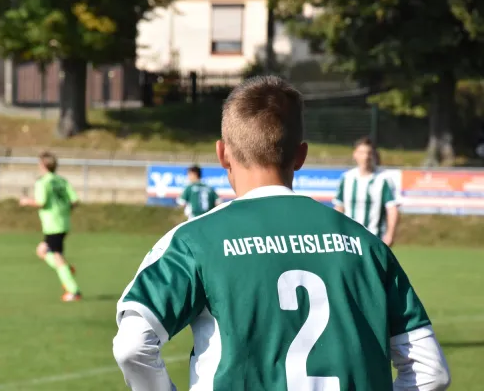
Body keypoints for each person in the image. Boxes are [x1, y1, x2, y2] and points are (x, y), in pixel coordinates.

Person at [112, 76, 450, 390]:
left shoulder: (193, 242)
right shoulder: (366, 244)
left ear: (222, 154)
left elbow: (132, 346)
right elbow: (429, 371)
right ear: (300, 155)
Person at [19, 151, 81, 302]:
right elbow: (74, 200)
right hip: (63, 222)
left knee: (56, 255)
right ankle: (66, 269)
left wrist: (26, 201)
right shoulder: (61, 180)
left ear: (43, 165)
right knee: (42, 251)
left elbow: (41, 202)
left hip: (52, 224)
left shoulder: (43, 182)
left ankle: (73, 291)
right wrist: (64, 210)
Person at [333, 137, 399, 247]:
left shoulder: (383, 179)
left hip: (374, 239)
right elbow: (339, 207)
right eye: (361, 152)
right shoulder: (347, 178)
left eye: (369, 153)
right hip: (349, 240)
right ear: (355, 154)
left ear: (373, 155)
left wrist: (390, 234)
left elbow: (392, 209)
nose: (365, 157)